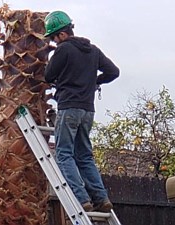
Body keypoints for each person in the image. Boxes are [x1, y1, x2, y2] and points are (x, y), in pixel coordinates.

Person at [44, 11, 120, 212]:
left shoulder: (63, 50)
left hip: (69, 108)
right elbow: (114, 72)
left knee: (63, 154)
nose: (54, 41)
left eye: (53, 37)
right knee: (84, 156)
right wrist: (95, 81)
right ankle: (102, 199)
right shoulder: (93, 50)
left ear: (61, 34)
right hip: (88, 111)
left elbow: (48, 75)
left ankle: (81, 199)